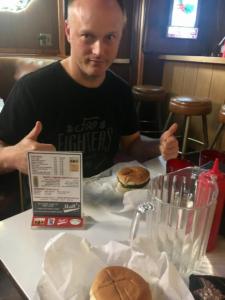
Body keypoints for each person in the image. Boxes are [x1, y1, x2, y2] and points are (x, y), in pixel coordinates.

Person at [0, 0, 178, 182]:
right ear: (68, 31)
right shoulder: (32, 89)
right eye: (87, 36)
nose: (99, 51)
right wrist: (12, 156)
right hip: (52, 205)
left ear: (120, 36)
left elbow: (132, 145)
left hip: (106, 197)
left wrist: (159, 146)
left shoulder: (121, 91)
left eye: (110, 37)